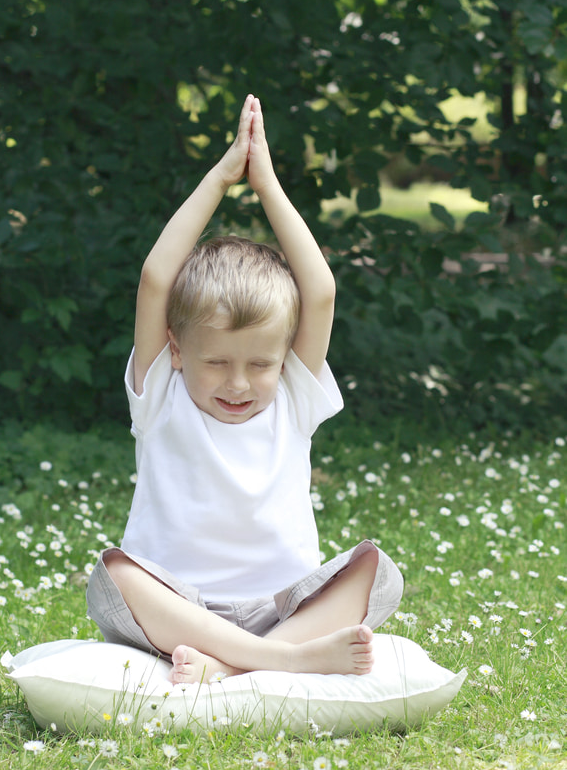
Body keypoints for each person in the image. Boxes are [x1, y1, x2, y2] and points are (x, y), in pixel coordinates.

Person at [86, 94, 403, 686]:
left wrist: (268, 186)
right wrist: (221, 177)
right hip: (177, 606)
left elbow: (321, 291)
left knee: (377, 570)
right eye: (216, 363)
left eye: (260, 364)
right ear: (176, 350)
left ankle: (232, 663)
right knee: (114, 576)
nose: (239, 383)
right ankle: (285, 661)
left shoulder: (293, 397)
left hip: (282, 610)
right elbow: (156, 278)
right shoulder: (161, 396)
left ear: (283, 359)